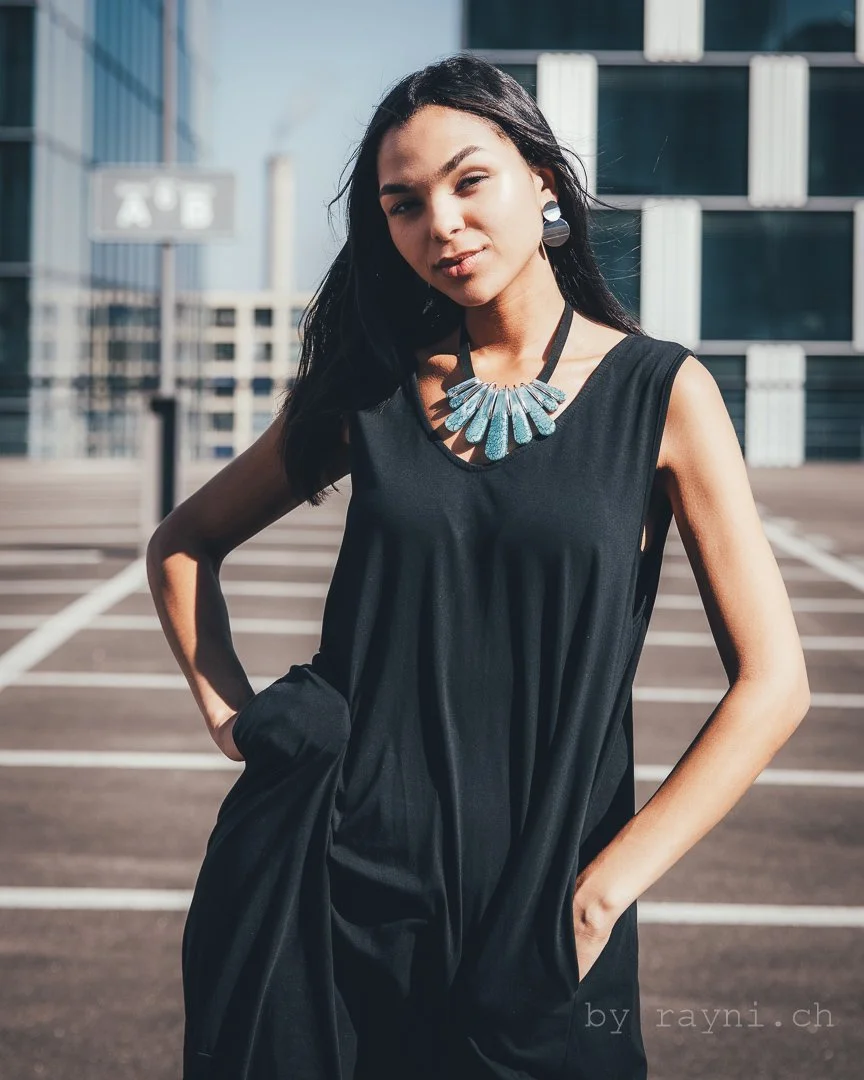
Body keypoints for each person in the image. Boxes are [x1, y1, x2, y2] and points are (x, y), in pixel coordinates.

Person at [147, 53, 811, 1080]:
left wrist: (599, 895)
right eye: (403, 205)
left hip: (547, 911)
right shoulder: (372, 388)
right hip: (339, 895)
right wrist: (236, 716)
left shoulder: (661, 394)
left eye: (468, 182)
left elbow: (775, 684)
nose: (440, 226)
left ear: (542, 180)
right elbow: (184, 545)